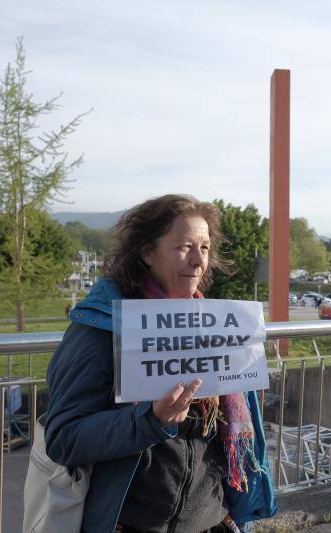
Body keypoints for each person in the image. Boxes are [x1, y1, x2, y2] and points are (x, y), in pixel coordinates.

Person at [43, 195, 277, 532]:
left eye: (206, 248)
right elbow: (65, 438)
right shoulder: (102, 328)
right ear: (147, 253)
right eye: (184, 247)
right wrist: (151, 420)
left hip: (213, 521)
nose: (199, 261)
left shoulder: (220, 326)